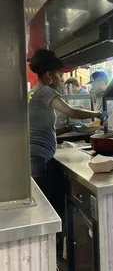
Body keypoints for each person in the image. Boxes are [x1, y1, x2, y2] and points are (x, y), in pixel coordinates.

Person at [28, 49, 106, 199]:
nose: (62, 79)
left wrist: (69, 128)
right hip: (39, 158)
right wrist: (98, 114)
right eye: (60, 74)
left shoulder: (34, 92)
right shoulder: (45, 91)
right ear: (49, 75)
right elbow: (71, 112)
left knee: (41, 202)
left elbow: (41, 128)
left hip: (35, 156)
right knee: (43, 203)